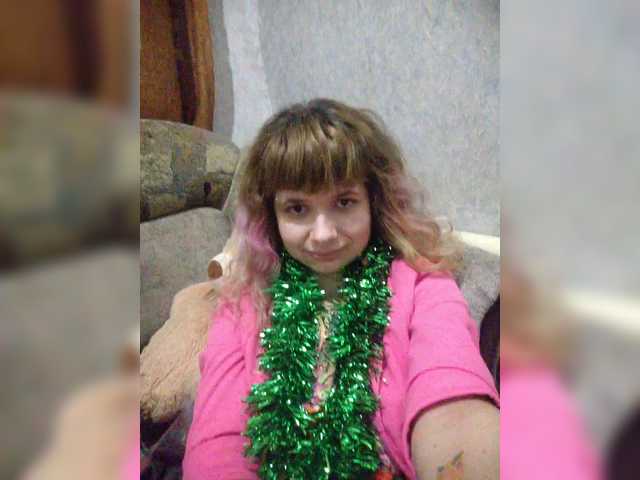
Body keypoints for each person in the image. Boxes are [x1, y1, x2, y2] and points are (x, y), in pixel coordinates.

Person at [183, 98, 499, 480]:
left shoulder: (421, 280)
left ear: (374, 201)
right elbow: (216, 449)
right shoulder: (244, 304)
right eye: (297, 209)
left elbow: (452, 397)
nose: (323, 234)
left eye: (344, 202)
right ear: (271, 214)